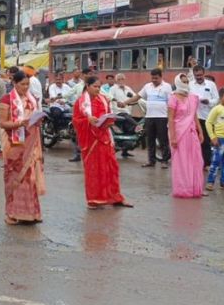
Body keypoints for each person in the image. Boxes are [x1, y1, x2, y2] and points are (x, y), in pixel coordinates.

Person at [72, 76, 132, 208]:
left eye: (99, 87)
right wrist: (88, 121)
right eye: (95, 86)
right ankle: (95, 199)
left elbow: (110, 115)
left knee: (111, 167)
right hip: (91, 140)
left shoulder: (104, 100)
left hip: (105, 138)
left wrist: (107, 122)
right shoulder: (81, 103)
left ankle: (115, 197)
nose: (97, 89)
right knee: (95, 169)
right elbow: (76, 121)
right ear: (87, 86)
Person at [0, 70, 46, 224]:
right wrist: (20, 123)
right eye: (22, 84)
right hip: (14, 143)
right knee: (14, 177)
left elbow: (34, 117)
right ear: (14, 83)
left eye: (27, 84)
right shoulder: (6, 100)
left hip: (31, 143)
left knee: (30, 178)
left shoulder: (31, 99)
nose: (25, 87)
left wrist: (37, 121)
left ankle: (31, 213)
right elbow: (3, 123)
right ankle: (11, 213)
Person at [123, 69, 172, 169]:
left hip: (162, 117)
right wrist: (125, 102)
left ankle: (164, 161)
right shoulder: (147, 86)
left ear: (161, 77)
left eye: (156, 78)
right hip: (149, 117)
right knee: (150, 139)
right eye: (152, 78)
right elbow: (137, 97)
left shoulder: (167, 87)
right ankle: (151, 161)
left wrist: (171, 116)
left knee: (163, 140)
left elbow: (171, 102)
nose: (154, 80)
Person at [168, 73, 205, 198]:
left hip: (191, 132)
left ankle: (195, 188)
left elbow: (194, 116)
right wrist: (173, 137)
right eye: (183, 81)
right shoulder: (173, 98)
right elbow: (171, 119)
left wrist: (200, 131)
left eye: (187, 82)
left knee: (196, 160)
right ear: (178, 82)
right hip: (179, 134)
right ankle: (184, 189)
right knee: (182, 161)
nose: (185, 84)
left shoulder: (193, 98)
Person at [188, 62, 218, 168]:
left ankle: (206, 163)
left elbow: (216, 99)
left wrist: (208, 102)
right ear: (194, 75)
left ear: (204, 74)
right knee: (193, 141)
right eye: (197, 76)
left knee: (205, 141)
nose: (199, 77)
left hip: (206, 117)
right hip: (193, 117)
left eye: (201, 75)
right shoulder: (189, 85)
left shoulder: (211, 85)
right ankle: (194, 162)